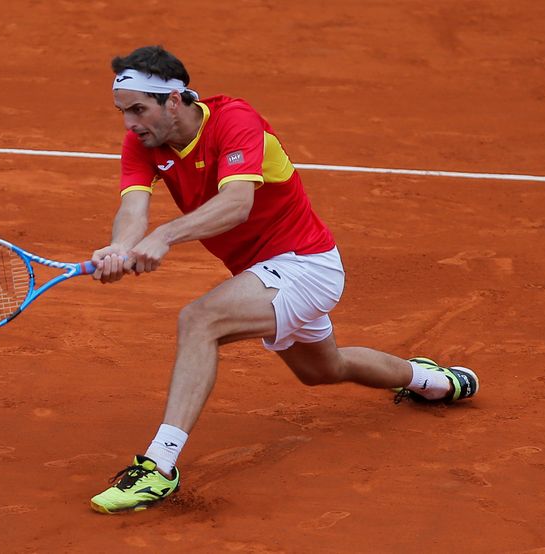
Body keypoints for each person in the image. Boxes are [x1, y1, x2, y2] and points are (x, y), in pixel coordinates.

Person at [88, 46, 479, 514]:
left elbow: (237, 203)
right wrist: (119, 249)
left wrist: (166, 236)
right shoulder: (144, 142)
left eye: (138, 109)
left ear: (174, 100)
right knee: (323, 371)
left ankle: (158, 467)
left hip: (307, 264)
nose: (129, 123)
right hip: (262, 277)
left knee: (199, 320)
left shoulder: (235, 120)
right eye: (123, 112)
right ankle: (431, 381)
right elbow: (132, 209)